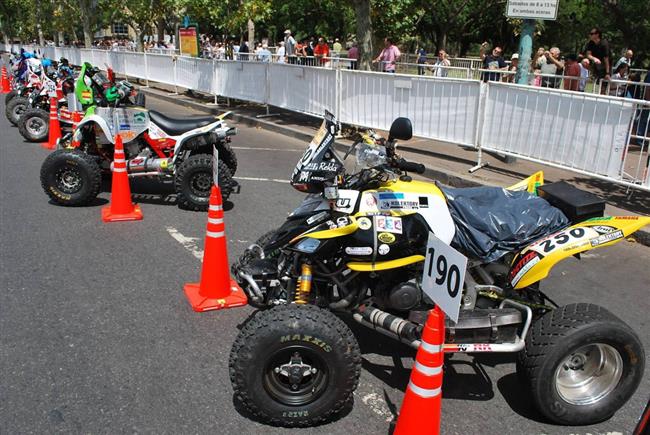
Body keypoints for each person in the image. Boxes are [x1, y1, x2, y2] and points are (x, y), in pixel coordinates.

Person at [584, 27, 611, 94]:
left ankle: (602, 97)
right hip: (596, 64)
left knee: (603, 89)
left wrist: (607, 73)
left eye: (592, 33)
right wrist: (594, 58)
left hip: (605, 66)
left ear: (597, 35)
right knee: (584, 62)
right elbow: (588, 55)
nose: (590, 35)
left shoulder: (604, 44)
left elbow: (606, 59)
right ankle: (594, 73)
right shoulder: (591, 43)